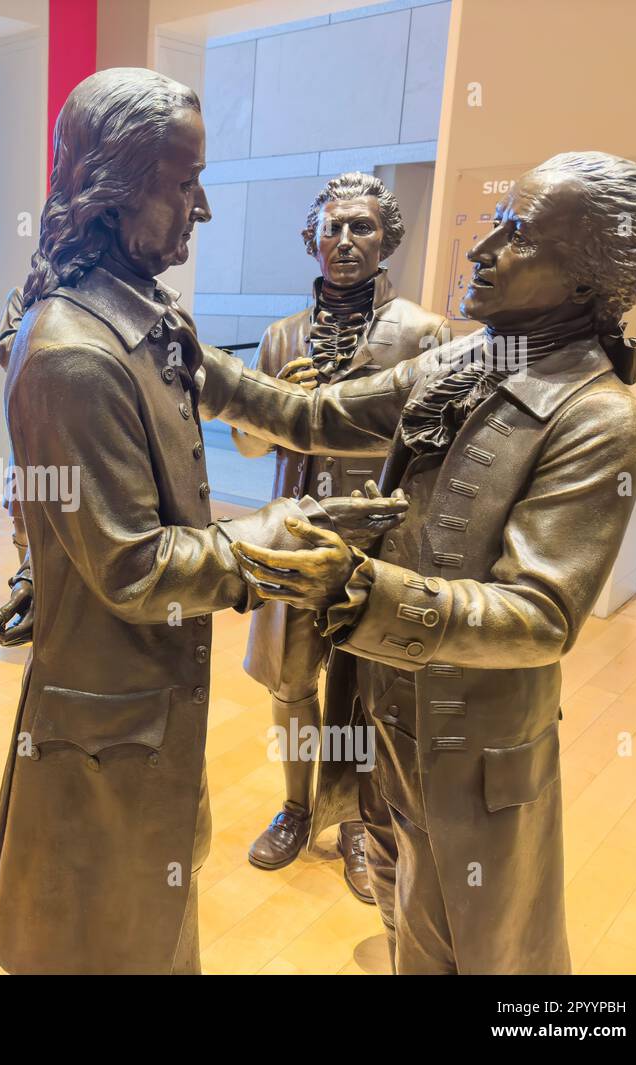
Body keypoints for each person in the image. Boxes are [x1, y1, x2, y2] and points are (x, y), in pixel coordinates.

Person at [0, 68, 407, 974]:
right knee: (111, 927)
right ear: (114, 187)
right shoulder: (73, 352)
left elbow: (293, 411)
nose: (201, 208)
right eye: (184, 182)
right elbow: (134, 566)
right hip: (111, 705)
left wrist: (432, 378)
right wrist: (284, 528)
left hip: (148, 693)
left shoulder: (149, 318)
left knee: (153, 902)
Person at [201, 151, 636, 973]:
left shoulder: (597, 418)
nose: (483, 249)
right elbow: (312, 415)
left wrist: (360, 587)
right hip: (389, 711)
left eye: (517, 235)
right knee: (400, 904)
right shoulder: (470, 360)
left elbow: (539, 616)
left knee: (483, 947)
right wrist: (188, 361)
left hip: (471, 745)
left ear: (587, 278)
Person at [231, 172, 448, 898]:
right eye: (333, 227)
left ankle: (360, 821)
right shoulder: (281, 335)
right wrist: (281, 404)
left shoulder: (422, 334)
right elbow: (251, 447)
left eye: (362, 227)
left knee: (364, 684)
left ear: (388, 238)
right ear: (310, 239)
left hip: (378, 540)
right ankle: (296, 805)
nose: (346, 241)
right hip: (293, 532)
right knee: (291, 681)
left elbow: (434, 449)